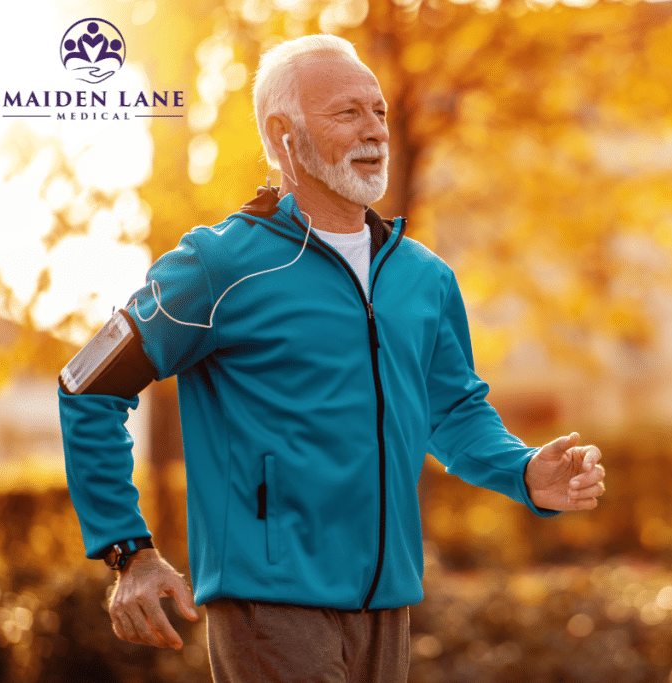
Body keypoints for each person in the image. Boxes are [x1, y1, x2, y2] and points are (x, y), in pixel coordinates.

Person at [58, 34, 606, 683]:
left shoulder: (423, 276)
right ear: (283, 135)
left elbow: (452, 410)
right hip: (270, 604)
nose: (375, 129)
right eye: (347, 113)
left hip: (387, 604)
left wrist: (522, 470)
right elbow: (88, 385)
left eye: (378, 111)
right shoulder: (218, 266)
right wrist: (129, 550)